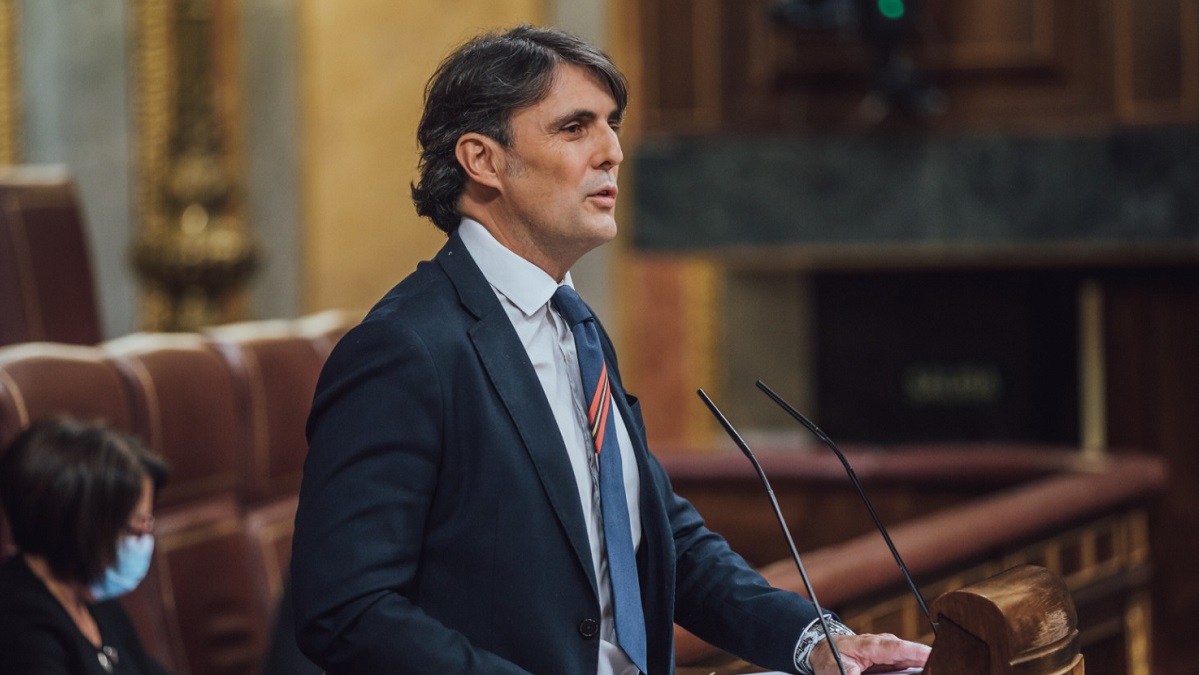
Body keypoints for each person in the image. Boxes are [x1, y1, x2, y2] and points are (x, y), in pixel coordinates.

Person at [291, 24, 931, 675]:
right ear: (483, 160)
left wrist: (812, 641)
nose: (612, 151)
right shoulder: (406, 349)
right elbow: (346, 608)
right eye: (574, 128)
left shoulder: (575, 322)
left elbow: (653, 538)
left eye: (612, 124)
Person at [0, 417, 172, 675]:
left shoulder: (91, 596)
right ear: (83, 527)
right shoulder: (19, 624)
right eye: (136, 528)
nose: (144, 540)